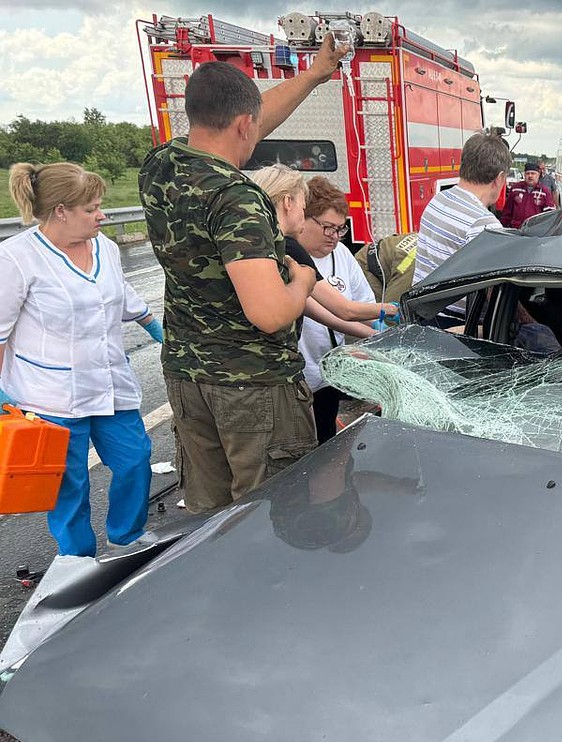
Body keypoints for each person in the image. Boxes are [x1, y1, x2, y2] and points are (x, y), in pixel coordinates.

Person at [138, 35, 347, 514]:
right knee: (269, 518)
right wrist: (303, 281)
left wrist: (315, 75)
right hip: (252, 390)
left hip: (188, 380)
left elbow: (253, 114)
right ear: (243, 126)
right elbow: (270, 314)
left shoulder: (162, 166)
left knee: (210, 518)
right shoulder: (238, 199)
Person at [0, 162, 162, 557]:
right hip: (49, 396)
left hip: (109, 384)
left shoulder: (104, 247)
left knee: (135, 460)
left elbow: (124, 297)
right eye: (92, 208)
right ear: (61, 211)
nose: (101, 215)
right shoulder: (17, 258)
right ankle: (77, 557)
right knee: (68, 485)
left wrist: (157, 330)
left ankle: (126, 535)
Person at [294, 176, 388, 442]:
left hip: (328, 375)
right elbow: (342, 312)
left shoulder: (342, 256)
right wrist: (386, 312)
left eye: (340, 229)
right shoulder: (291, 259)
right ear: (304, 219)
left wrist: (378, 327)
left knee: (325, 438)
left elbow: (363, 304)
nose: (335, 237)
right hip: (299, 376)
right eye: (327, 228)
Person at [412, 131, 511, 286]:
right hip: (453, 311)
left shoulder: (438, 199)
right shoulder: (484, 224)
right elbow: (492, 290)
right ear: (499, 178)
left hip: (421, 307)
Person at [500, 160, 556, 229]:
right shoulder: (515, 189)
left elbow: (550, 216)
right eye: (527, 173)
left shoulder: (545, 192)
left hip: (534, 232)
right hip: (515, 230)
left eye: (533, 173)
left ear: (538, 175)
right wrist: (503, 228)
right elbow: (507, 212)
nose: (530, 176)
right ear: (524, 175)